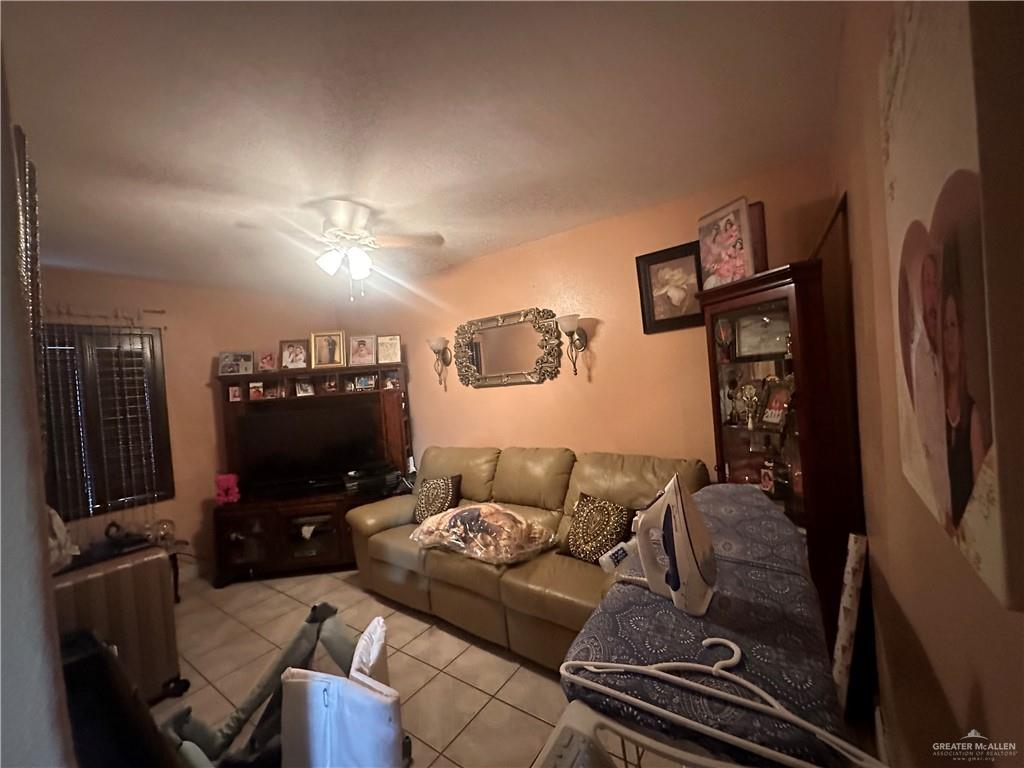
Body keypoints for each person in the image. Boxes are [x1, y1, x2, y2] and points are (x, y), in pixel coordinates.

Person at [942, 258, 987, 530]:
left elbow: (980, 511)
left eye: (954, 326)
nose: (949, 338)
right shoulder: (936, 412)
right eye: (945, 327)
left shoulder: (973, 418)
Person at [910, 248, 950, 519]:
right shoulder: (919, 354)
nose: (931, 289)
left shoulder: (950, 338)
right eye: (926, 282)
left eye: (935, 281)